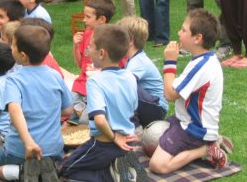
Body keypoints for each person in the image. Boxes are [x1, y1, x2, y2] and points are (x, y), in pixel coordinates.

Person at [59, 24, 145, 182]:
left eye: (90, 46)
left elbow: (99, 119)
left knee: (65, 169)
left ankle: (109, 175)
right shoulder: (130, 77)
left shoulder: (95, 81)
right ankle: (122, 167)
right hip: (128, 141)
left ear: (101, 53)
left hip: (104, 144)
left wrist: (114, 137)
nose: (87, 49)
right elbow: (133, 108)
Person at [149, 9, 228, 173]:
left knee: (157, 165)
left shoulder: (201, 66)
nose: (179, 32)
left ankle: (205, 150)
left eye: (184, 30)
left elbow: (170, 95)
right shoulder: (204, 60)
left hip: (194, 129)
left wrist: (170, 62)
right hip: (185, 120)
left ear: (197, 38)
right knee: (150, 137)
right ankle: (209, 144)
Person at [0, 26, 73, 181]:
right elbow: (68, 110)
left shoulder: (14, 79)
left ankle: (22, 173)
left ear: (23, 56)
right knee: (50, 158)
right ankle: (46, 169)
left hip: (21, 149)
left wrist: (29, 142)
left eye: (13, 45)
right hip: (52, 148)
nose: (11, 47)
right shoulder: (55, 75)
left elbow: (14, 109)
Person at [68, 0, 115, 125]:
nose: (84, 20)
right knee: (63, 110)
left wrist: (98, 70)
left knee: (84, 121)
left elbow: (116, 69)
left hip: (98, 87)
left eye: (88, 17)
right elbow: (80, 65)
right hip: (81, 85)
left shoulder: (111, 40)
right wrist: (76, 47)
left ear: (101, 19)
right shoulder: (87, 34)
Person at [117, 16, 168, 129]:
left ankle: (134, 127)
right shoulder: (132, 59)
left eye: (119, 38)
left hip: (157, 109)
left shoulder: (138, 61)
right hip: (150, 105)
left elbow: (124, 84)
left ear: (130, 41)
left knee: (125, 85)